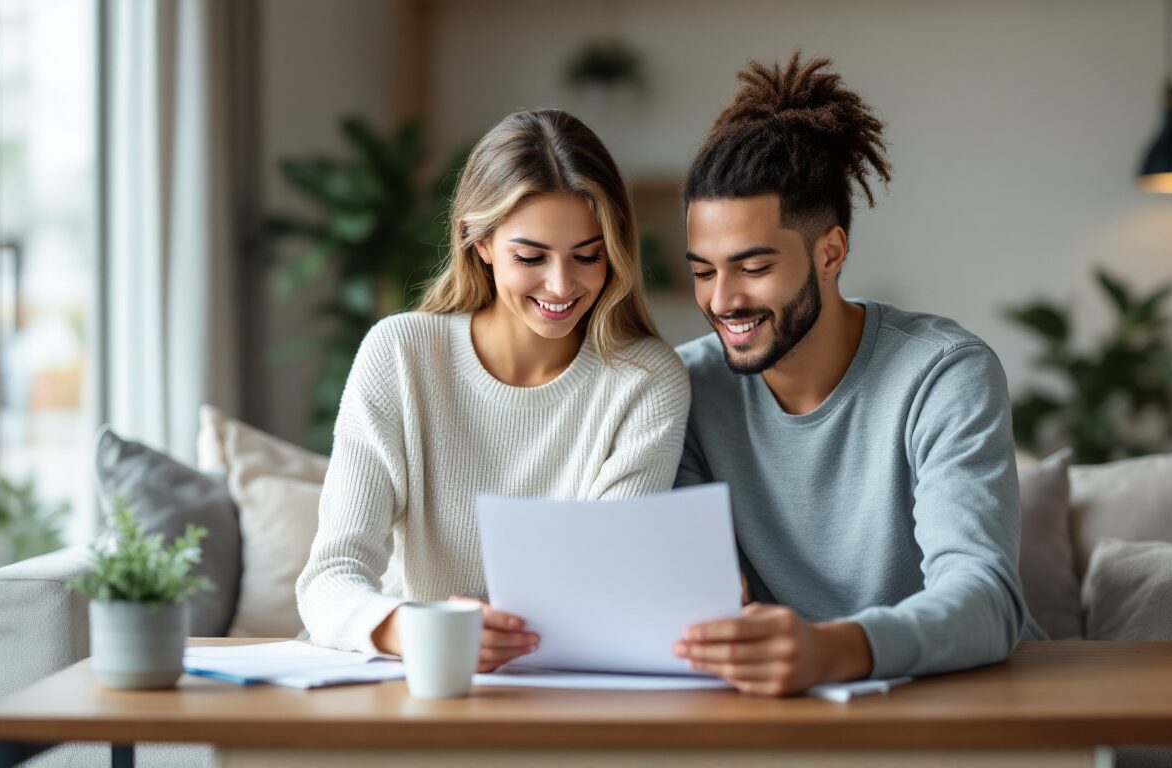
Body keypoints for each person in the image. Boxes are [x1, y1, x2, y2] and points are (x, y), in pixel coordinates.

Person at [671, 53, 1041, 697]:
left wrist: (830, 649)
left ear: (831, 252)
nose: (722, 300)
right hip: (779, 712)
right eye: (703, 271)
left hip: (962, 699)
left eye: (753, 268)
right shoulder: (685, 388)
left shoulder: (944, 375)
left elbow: (986, 599)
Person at [297, 109, 690, 672]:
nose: (561, 284)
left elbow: (606, 590)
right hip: (421, 682)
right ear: (479, 241)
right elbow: (328, 578)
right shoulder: (400, 355)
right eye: (530, 257)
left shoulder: (646, 381)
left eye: (588, 255)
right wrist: (424, 632)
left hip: (570, 688)